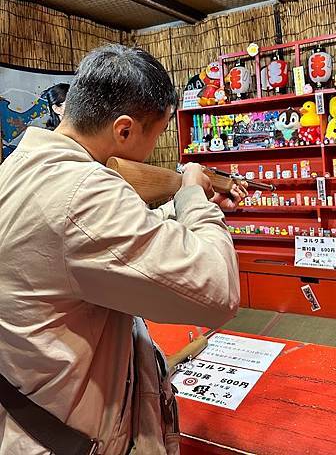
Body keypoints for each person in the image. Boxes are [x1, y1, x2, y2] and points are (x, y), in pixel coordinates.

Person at [0, 44, 245, 455]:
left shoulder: (20, 167)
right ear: (125, 130)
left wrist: (182, 214)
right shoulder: (85, 192)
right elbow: (218, 291)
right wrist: (192, 201)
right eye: (159, 132)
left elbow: (91, 245)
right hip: (75, 434)